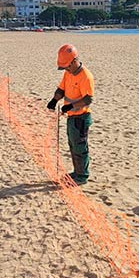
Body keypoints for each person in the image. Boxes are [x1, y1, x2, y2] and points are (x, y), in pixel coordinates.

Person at [46, 44, 94, 185]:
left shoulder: (86, 77)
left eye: (67, 66)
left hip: (81, 117)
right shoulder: (68, 73)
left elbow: (88, 99)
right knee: (73, 145)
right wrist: (54, 100)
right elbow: (61, 89)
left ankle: (82, 176)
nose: (65, 69)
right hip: (71, 117)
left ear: (74, 61)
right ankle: (77, 172)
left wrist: (71, 106)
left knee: (80, 147)